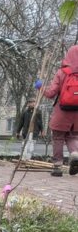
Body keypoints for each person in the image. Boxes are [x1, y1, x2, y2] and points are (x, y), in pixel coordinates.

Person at [39, 45, 78, 177]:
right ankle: (75, 154)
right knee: (72, 137)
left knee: (58, 138)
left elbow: (51, 93)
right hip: (77, 114)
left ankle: (57, 167)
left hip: (62, 112)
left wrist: (40, 87)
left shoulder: (62, 72)